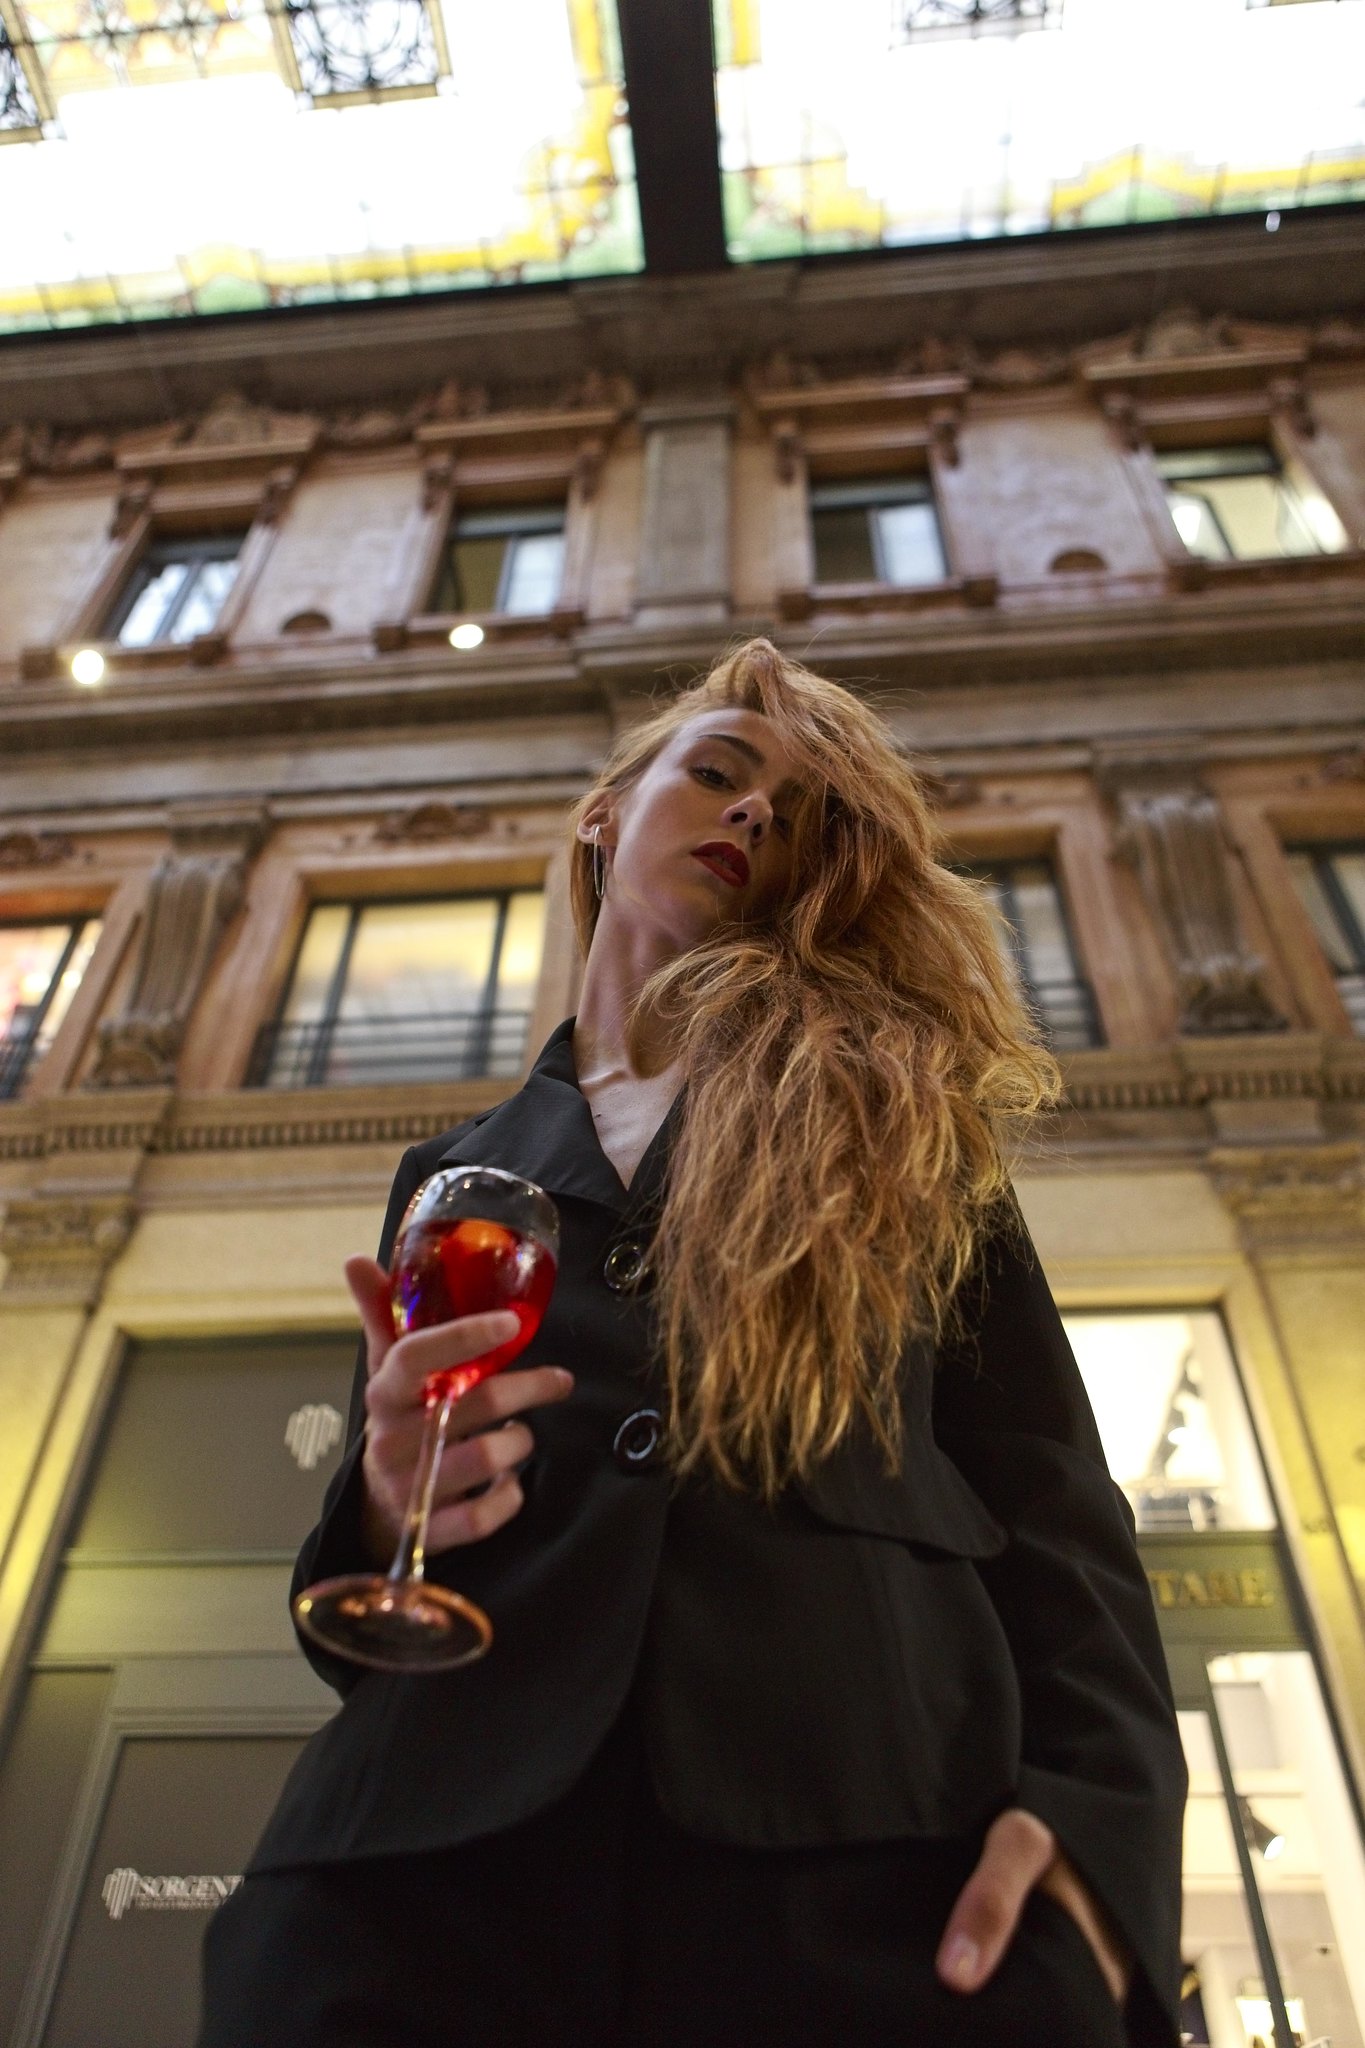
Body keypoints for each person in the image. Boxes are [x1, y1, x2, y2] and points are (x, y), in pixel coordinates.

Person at [199, 639, 1187, 2048]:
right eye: (718, 773)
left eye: (795, 816)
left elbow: (1057, 1506)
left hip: (873, 1863)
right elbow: (377, 1566)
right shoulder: (452, 1172)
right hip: (415, 1877)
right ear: (603, 815)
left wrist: (1097, 1833)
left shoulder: (908, 1126)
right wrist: (380, 1497)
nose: (752, 812)